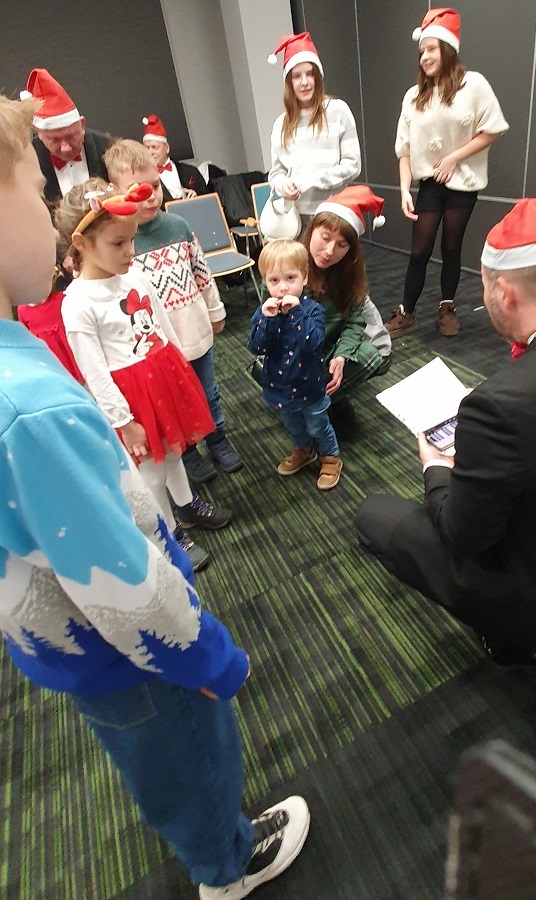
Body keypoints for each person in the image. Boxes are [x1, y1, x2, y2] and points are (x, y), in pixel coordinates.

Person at [0, 92, 309, 900]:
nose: (46, 212)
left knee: (157, 760)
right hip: (132, 654)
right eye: (30, 188)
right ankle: (225, 866)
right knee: (190, 759)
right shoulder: (26, 406)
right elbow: (121, 587)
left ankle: (212, 846)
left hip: (74, 646)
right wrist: (209, 655)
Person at [357, 197, 536, 671]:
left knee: (374, 515)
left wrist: (435, 467)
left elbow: (462, 535)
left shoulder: (500, 405)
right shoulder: (512, 396)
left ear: (505, 293)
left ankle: (516, 637)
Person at [55, 178, 233, 572]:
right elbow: (94, 372)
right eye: (118, 243)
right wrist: (124, 422)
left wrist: (180, 368)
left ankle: (186, 505)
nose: (130, 250)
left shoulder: (134, 275)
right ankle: (167, 533)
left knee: (173, 452)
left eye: (132, 239)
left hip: (163, 378)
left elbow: (162, 325)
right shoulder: (78, 303)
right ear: (82, 244)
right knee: (151, 470)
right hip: (131, 398)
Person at [105, 139, 242, 483]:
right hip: (157, 348)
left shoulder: (178, 226)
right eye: (138, 190)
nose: (150, 197)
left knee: (207, 392)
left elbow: (202, 273)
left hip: (193, 331)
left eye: (155, 186)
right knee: (173, 401)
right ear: (115, 191)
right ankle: (188, 451)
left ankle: (217, 439)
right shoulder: (119, 242)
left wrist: (215, 310)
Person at [386, 8, 508, 339]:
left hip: (463, 184)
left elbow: (494, 128)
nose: (425, 57)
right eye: (421, 51)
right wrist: (404, 190)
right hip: (429, 185)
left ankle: (447, 306)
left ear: (448, 49)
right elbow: (404, 149)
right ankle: (407, 312)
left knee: (452, 248)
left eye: (432, 49)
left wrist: (454, 157)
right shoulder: (414, 97)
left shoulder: (473, 85)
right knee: (419, 251)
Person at [249, 239, 342, 490]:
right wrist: (267, 320)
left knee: (317, 425)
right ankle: (304, 451)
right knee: (293, 426)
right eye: (274, 280)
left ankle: (330, 457)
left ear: (305, 277)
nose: (283, 288)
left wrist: (296, 313)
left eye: (291, 278)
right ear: (265, 282)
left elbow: (313, 343)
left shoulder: (312, 311)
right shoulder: (264, 313)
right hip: (280, 388)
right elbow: (256, 347)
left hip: (310, 388)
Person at [300, 186, 387, 416]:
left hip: (328, 347)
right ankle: (307, 402)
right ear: (312, 229)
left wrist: (341, 356)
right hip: (294, 353)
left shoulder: (349, 274)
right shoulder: (288, 266)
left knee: (371, 355)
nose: (329, 251)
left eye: (341, 245)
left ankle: (327, 397)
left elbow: (355, 322)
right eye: (325, 238)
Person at [267, 32, 361, 225]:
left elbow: (353, 165)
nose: (304, 82)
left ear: (318, 77)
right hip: (296, 219)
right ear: (289, 82)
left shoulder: (338, 111)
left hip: (334, 214)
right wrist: (283, 185)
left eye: (310, 74)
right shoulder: (280, 125)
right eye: (296, 76)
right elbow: (276, 173)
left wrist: (313, 181)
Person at [21, 68, 110, 203]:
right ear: (38, 132)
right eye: (55, 139)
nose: (66, 148)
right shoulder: (27, 161)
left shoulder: (107, 148)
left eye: (71, 136)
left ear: (82, 124)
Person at [17, 256, 84, 383]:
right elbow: (27, 337)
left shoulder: (62, 299)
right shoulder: (22, 310)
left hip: (74, 355)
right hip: (51, 360)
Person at [142, 113, 209, 205]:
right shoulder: (143, 179)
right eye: (146, 148)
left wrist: (197, 197)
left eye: (155, 147)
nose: (150, 152)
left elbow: (209, 199)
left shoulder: (190, 171)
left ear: (167, 148)